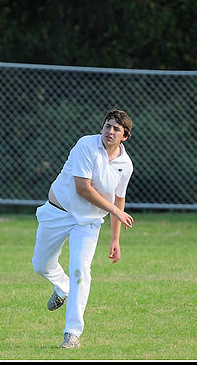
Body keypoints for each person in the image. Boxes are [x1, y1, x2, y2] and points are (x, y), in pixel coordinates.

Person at [32, 109, 134, 349]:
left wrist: (115, 239)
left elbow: (119, 199)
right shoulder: (86, 145)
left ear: (125, 136)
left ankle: (72, 333)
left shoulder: (125, 165)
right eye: (107, 126)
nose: (109, 131)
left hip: (87, 223)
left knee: (81, 270)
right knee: (41, 265)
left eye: (116, 129)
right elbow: (83, 189)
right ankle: (62, 285)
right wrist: (116, 211)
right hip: (58, 212)